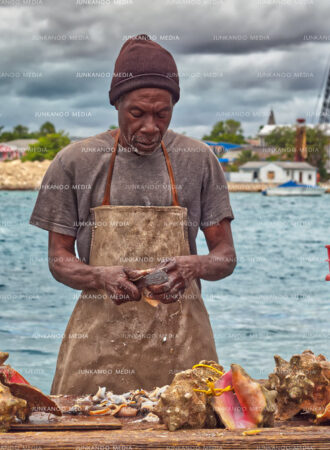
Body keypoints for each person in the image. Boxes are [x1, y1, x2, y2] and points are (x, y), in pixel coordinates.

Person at [30, 34, 236, 395]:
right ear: (117, 104)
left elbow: (226, 256)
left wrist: (192, 267)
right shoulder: (75, 161)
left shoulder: (199, 160)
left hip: (183, 348)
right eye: (137, 113)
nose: (151, 127)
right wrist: (99, 276)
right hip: (98, 348)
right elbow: (58, 259)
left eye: (163, 114)